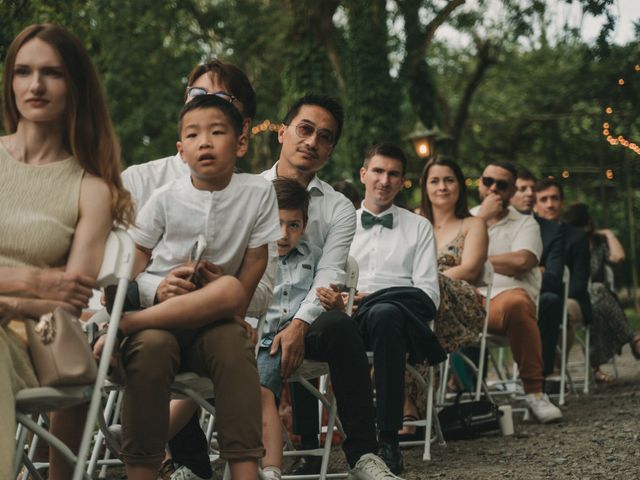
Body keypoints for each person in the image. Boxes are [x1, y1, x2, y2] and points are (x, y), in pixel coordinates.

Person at [94, 94, 280, 480]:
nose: (205, 142)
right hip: (158, 320)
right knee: (150, 351)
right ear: (181, 150)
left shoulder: (257, 193)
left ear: (241, 143)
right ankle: (143, 470)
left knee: (233, 336)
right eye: (193, 135)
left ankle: (245, 470)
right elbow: (133, 260)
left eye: (216, 132)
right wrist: (159, 286)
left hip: (216, 317)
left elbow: (257, 259)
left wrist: (233, 310)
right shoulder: (165, 198)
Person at [0, 23, 133, 480]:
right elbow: (51, 287)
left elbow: (70, 300)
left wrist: (12, 304)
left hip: (25, 338)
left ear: (74, 84)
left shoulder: (90, 187)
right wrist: (32, 280)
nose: (34, 85)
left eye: (51, 73)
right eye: (23, 71)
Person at [262, 94, 402, 479]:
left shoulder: (338, 207)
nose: (312, 141)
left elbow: (329, 272)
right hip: (252, 314)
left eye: (324, 137)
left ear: (330, 149)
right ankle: (188, 462)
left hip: (309, 318)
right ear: (283, 132)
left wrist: (299, 324)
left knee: (342, 325)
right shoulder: (244, 191)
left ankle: (363, 456)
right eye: (305, 129)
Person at [349, 143, 446, 472]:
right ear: (364, 174)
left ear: (402, 181)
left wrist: (376, 299)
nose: (384, 180)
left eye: (393, 174)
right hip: (348, 319)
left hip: (396, 323)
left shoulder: (418, 226)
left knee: (386, 314)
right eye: (378, 171)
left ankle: (388, 440)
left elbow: (429, 296)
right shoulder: (341, 224)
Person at [471, 161, 562, 423]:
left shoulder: (526, 223)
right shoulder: (468, 217)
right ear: (479, 182)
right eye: (488, 181)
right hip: (466, 300)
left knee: (517, 302)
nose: (493, 189)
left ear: (512, 191)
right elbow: (446, 261)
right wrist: (481, 221)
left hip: (508, 303)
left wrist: (473, 262)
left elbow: (523, 261)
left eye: (502, 185)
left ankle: (535, 392)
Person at [401, 157, 487, 428]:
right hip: (417, 303)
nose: (442, 187)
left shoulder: (473, 224)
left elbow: (471, 269)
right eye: (434, 181)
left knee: (412, 300)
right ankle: (406, 403)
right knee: (401, 314)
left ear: (460, 185)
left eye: (449, 180)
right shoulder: (413, 220)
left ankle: (409, 405)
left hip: (460, 303)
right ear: (425, 186)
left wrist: (425, 282)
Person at [563, 203, 640, 378]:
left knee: (598, 303)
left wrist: (608, 234)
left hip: (599, 299)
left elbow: (618, 257)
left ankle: (595, 368)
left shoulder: (597, 243)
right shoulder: (566, 245)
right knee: (598, 293)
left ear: (588, 225)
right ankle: (632, 339)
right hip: (576, 295)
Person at [533, 179, 594, 377]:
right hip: (537, 295)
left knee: (561, 307)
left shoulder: (577, 236)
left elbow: (578, 283)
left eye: (554, 198)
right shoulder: (530, 231)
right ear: (535, 204)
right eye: (543, 199)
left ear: (562, 202)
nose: (549, 204)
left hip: (573, 299)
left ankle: (555, 370)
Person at [510, 169, 565, 379]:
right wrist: (533, 269)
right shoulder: (490, 222)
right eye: (522, 188)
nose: (529, 193)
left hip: (536, 297)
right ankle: (466, 386)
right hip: (496, 294)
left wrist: (522, 268)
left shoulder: (552, 230)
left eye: (532, 188)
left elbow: (554, 277)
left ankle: (539, 378)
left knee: (551, 300)